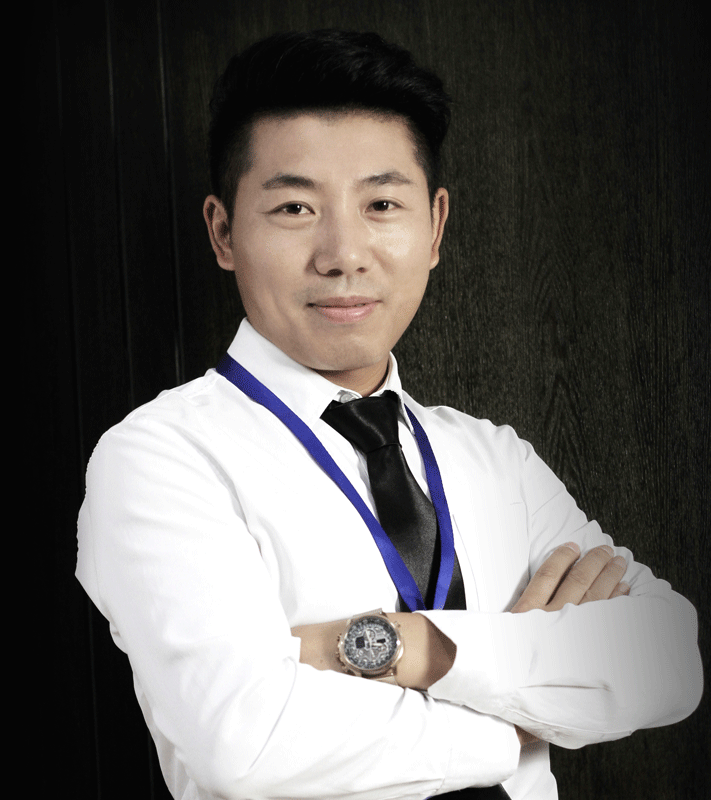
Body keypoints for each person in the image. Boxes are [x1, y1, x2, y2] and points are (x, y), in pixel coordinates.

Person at [75, 29, 702, 800]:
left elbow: (667, 662)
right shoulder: (160, 457)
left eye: (380, 204)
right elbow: (246, 744)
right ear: (223, 231)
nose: (343, 254)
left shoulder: (494, 458)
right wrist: (522, 716)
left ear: (434, 227)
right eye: (294, 207)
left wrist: (405, 648)